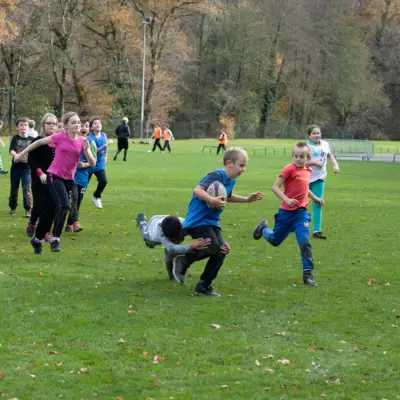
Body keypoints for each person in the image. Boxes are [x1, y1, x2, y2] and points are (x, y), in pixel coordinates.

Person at [172, 147, 263, 296]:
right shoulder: (216, 175)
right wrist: (211, 199)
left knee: (222, 250)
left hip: (212, 222)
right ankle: (183, 261)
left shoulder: (231, 180)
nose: (243, 169)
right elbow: (197, 190)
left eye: (245, 165)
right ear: (229, 163)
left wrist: (247, 199)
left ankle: (203, 286)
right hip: (197, 221)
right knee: (214, 246)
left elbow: (228, 196)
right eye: (241, 165)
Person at [14, 112, 96, 253]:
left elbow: (92, 162)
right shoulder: (59, 137)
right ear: (66, 126)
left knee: (50, 212)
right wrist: (21, 154)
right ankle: (56, 238)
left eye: (78, 122)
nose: (77, 125)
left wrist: (87, 150)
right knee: (64, 205)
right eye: (73, 122)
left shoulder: (82, 141)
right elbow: (39, 142)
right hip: (54, 176)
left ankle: (37, 240)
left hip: (69, 180)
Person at [252, 142, 324, 287]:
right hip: (286, 213)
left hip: (301, 213)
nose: (298, 159)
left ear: (307, 157)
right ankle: (263, 228)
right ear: (292, 156)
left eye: (301, 156)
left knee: (305, 242)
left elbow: (305, 189)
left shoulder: (308, 171)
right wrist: (286, 199)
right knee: (274, 241)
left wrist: (316, 199)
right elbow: (275, 187)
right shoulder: (289, 169)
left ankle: (308, 274)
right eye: (296, 156)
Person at [136, 213, 211, 279]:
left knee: (171, 255)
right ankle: (142, 221)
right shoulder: (160, 233)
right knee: (148, 240)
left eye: (176, 237)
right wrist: (191, 246)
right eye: (171, 239)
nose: (175, 240)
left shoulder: (183, 223)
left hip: (165, 220)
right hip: (152, 230)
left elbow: (200, 229)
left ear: (181, 227)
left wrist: (210, 241)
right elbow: (172, 248)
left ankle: (172, 276)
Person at [26, 113, 57, 239]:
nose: (52, 126)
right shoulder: (37, 141)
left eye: (54, 124)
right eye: (49, 123)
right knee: (39, 205)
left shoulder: (58, 142)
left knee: (50, 206)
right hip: (39, 178)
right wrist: (40, 174)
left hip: (55, 178)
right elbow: (32, 161)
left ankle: (45, 232)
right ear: (43, 125)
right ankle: (33, 222)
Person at [307, 125, 340, 239]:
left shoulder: (325, 144)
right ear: (309, 136)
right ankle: (294, 224)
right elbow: (300, 162)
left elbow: (329, 155)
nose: (317, 135)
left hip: (319, 177)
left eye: (318, 133)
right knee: (299, 203)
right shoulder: (306, 147)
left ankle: (317, 230)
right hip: (305, 177)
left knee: (318, 202)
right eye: (314, 133)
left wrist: (335, 165)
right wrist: (315, 163)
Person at [65, 117, 97, 233]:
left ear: (89, 129)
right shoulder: (71, 141)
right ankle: (75, 222)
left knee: (78, 201)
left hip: (83, 177)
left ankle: (70, 224)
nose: (83, 128)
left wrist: (85, 164)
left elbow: (94, 161)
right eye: (81, 126)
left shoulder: (91, 143)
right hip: (71, 176)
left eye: (86, 126)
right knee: (73, 198)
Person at [9, 117, 33, 217]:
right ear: (17, 127)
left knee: (26, 188)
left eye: (25, 125)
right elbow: (11, 150)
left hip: (27, 168)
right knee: (14, 189)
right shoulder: (15, 138)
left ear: (28, 127)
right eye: (21, 125)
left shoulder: (32, 140)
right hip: (16, 167)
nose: (23, 127)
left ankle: (28, 209)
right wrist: (16, 156)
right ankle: (13, 207)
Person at [88, 117, 109, 209]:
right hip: (89, 163)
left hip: (99, 163)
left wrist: (106, 156)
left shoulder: (104, 135)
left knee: (103, 181)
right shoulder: (90, 138)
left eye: (99, 123)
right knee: (82, 185)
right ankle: (73, 199)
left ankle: (96, 196)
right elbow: (94, 151)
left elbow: (106, 149)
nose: (98, 124)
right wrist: (105, 145)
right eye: (95, 123)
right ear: (91, 128)